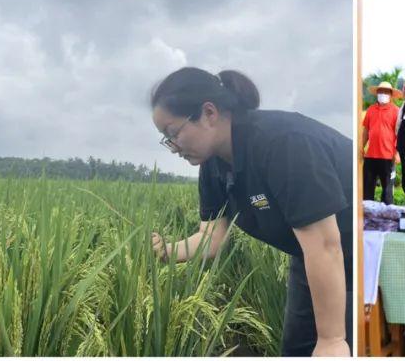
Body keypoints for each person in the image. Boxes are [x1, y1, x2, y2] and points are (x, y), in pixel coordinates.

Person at [149, 67, 352, 357]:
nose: (173, 148)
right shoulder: (213, 165)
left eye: (173, 133)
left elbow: (325, 245)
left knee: (337, 345)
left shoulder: (282, 143)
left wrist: (333, 341)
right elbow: (211, 238)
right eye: (166, 140)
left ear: (209, 113)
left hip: (355, 252)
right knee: (297, 350)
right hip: (310, 258)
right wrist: (167, 251)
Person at [361, 81, 400, 203]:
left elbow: (400, 134)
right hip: (370, 156)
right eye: (381, 91)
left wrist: (398, 152)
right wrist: (361, 146)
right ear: (377, 93)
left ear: (391, 94)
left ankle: (387, 219)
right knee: (367, 191)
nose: (383, 93)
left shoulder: (396, 111)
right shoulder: (371, 110)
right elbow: (366, 130)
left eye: (386, 91)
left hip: (388, 157)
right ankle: (366, 219)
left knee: (387, 193)